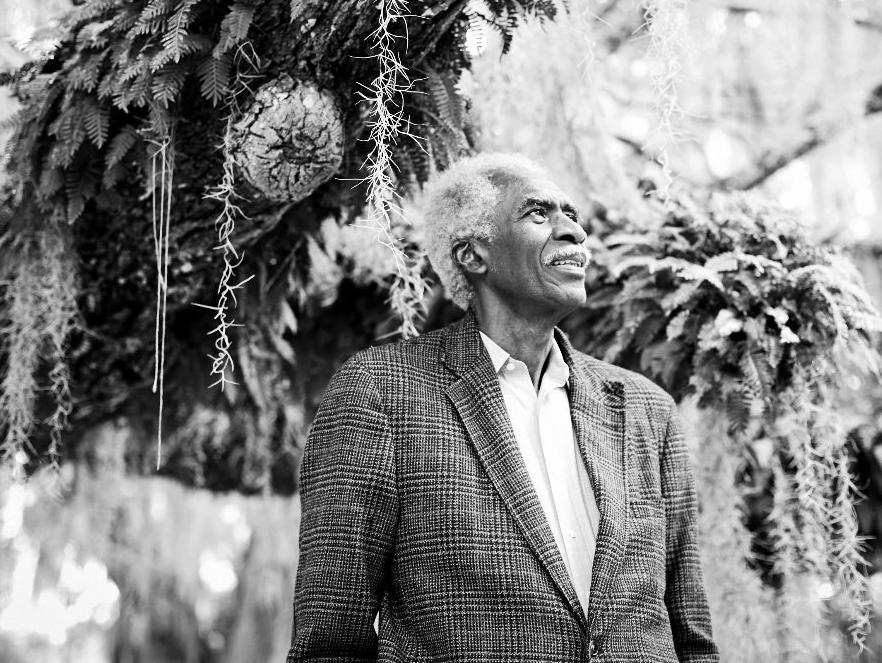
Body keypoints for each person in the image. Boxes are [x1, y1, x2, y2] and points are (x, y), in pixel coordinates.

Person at [288, 153, 718, 663]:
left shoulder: (648, 410)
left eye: (571, 215)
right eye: (538, 213)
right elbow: (330, 641)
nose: (574, 232)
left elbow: (692, 638)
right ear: (473, 255)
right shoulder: (381, 391)